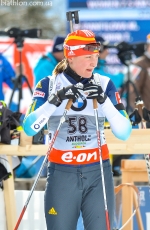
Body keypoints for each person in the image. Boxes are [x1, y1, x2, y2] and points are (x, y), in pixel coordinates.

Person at [23, 29, 132, 230]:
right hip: (62, 171)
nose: (94, 63)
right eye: (88, 57)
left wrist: (104, 101)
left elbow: (124, 132)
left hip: (98, 170)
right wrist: (54, 101)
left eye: (96, 57)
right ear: (70, 56)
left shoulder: (104, 83)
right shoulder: (48, 84)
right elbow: (29, 129)